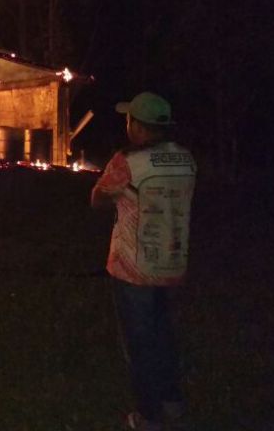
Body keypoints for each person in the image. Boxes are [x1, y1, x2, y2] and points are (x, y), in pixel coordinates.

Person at [90, 91, 197, 431]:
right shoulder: (186, 159)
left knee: (139, 342)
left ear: (137, 126)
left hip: (132, 267)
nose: (127, 124)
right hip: (171, 261)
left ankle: (149, 416)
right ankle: (173, 400)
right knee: (163, 334)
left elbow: (97, 199)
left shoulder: (127, 161)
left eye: (129, 119)